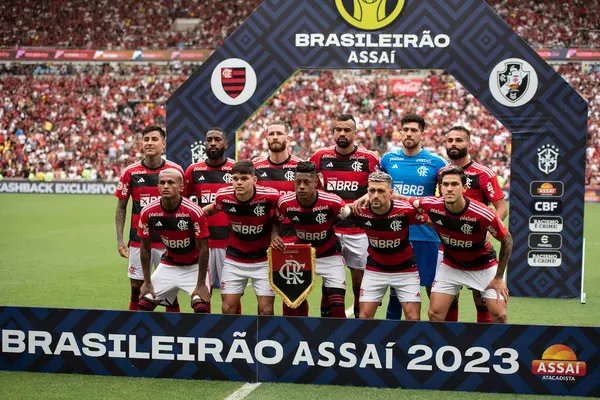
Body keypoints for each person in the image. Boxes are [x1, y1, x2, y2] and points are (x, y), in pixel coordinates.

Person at [409, 165, 512, 323]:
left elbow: (507, 240)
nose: (449, 189)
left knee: (500, 315)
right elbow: (402, 199)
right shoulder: (431, 204)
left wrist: (498, 277)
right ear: (440, 188)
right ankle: (444, 346)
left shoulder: (483, 213)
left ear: (464, 188)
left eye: (454, 184)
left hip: (483, 266)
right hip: (452, 265)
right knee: (434, 314)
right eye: (446, 184)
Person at [310, 114, 379, 318]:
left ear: (355, 133)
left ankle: (359, 319)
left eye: (347, 130)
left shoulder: (369, 158)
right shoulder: (320, 156)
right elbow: (306, 181)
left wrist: (363, 198)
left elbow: (380, 187)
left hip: (358, 230)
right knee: (329, 282)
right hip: (330, 230)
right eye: (338, 129)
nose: (342, 133)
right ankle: (328, 321)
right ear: (332, 132)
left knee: (358, 281)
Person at [379, 114, 447, 320]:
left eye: (414, 130)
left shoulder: (436, 162)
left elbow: (445, 197)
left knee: (432, 289)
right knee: (395, 291)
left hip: (426, 235)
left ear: (422, 134)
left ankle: (437, 337)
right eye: (405, 129)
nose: (408, 133)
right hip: (395, 234)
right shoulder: (388, 159)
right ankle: (392, 338)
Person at [114, 125, 184, 312]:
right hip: (138, 241)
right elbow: (121, 206)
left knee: (170, 293)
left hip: (168, 241)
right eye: (146, 139)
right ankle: (134, 332)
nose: (149, 143)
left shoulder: (175, 171)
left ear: (163, 143)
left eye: (154, 139)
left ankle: (172, 334)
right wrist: (120, 239)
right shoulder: (131, 172)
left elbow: (184, 207)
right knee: (136, 290)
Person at [445, 126, 508, 323]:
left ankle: (484, 345)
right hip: (447, 246)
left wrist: (490, 228)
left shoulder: (483, 173)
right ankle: (450, 345)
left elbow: (501, 207)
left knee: (481, 299)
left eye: (459, 140)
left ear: (469, 145)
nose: (453, 144)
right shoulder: (442, 173)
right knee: (448, 300)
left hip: (477, 245)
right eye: (450, 140)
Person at [271, 161, 348, 318]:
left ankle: (338, 339)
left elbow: (349, 215)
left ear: (316, 182)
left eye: (307, 182)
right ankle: (298, 335)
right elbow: (276, 223)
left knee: (338, 306)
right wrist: (274, 235)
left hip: (329, 254)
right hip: (303, 255)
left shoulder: (332, 201)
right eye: (298, 182)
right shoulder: (285, 202)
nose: (301, 186)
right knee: (294, 301)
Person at [202, 160, 280, 315]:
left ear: (254, 180)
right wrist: (190, 216)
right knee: (227, 308)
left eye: (244, 179)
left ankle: (264, 338)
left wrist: (275, 233)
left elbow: (281, 213)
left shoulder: (270, 196)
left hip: (263, 260)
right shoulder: (224, 196)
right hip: (235, 260)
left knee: (266, 310)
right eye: (235, 179)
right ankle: (232, 338)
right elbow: (211, 210)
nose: (239, 183)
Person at [353, 171, 428, 320]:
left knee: (413, 319)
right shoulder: (360, 209)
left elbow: (434, 219)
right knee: (364, 318)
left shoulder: (406, 210)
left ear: (390, 193)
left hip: (405, 270)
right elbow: (336, 209)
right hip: (375, 269)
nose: (375, 195)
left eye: (381, 191)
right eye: (372, 190)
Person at [137, 168, 211, 313]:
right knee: (144, 304)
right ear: (157, 186)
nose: (165, 186)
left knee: (201, 307)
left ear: (181, 187)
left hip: (194, 266)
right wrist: (147, 281)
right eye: (162, 183)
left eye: (170, 182)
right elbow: (145, 248)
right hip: (169, 264)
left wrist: (201, 283)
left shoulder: (193, 211)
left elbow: (204, 248)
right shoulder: (148, 211)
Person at [253, 122, 305, 316]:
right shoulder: (256, 167)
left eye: (279, 133)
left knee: (294, 299)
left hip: (293, 240)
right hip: (262, 242)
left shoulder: (301, 166)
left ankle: (295, 339)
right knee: (265, 304)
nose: (275, 137)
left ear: (288, 139)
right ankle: (265, 340)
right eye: (271, 134)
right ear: (266, 138)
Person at [184, 128, 236, 309]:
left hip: (230, 244)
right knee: (202, 298)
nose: (213, 143)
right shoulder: (193, 171)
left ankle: (232, 333)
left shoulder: (235, 170)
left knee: (231, 300)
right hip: (203, 243)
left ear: (226, 144)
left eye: (217, 139)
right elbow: (183, 204)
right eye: (209, 140)